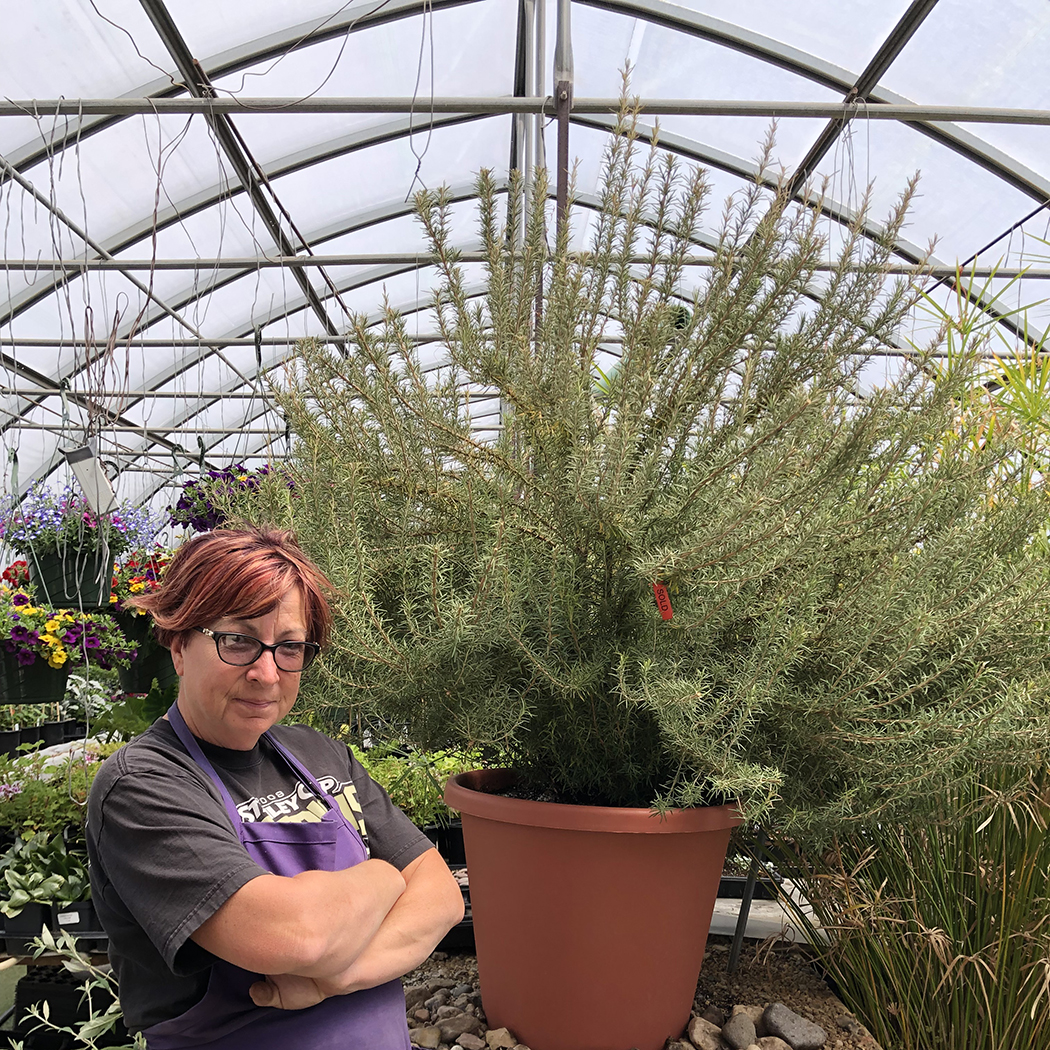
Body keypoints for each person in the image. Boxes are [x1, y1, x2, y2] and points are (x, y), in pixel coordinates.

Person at [87, 526, 465, 1050]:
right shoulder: (145, 785)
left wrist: (330, 980)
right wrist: (383, 877)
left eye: (288, 647)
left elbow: (441, 896)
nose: (267, 673)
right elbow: (294, 935)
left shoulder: (319, 754)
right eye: (238, 641)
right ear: (178, 645)